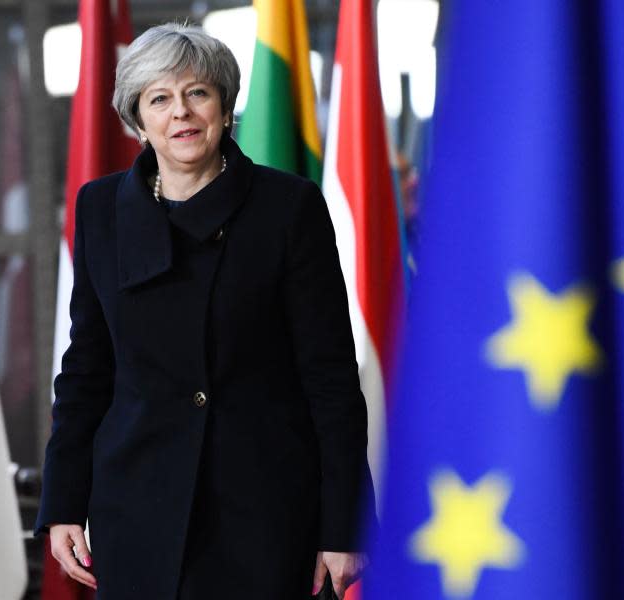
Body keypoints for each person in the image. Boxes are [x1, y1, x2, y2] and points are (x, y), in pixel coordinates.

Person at [35, 23, 373, 599]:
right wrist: (64, 501)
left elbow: (331, 376)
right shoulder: (100, 209)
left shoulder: (288, 207)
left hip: (262, 512)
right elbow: (87, 369)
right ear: (138, 119)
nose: (181, 113)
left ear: (224, 103)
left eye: (198, 93)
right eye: (159, 98)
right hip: (136, 509)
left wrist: (344, 524)